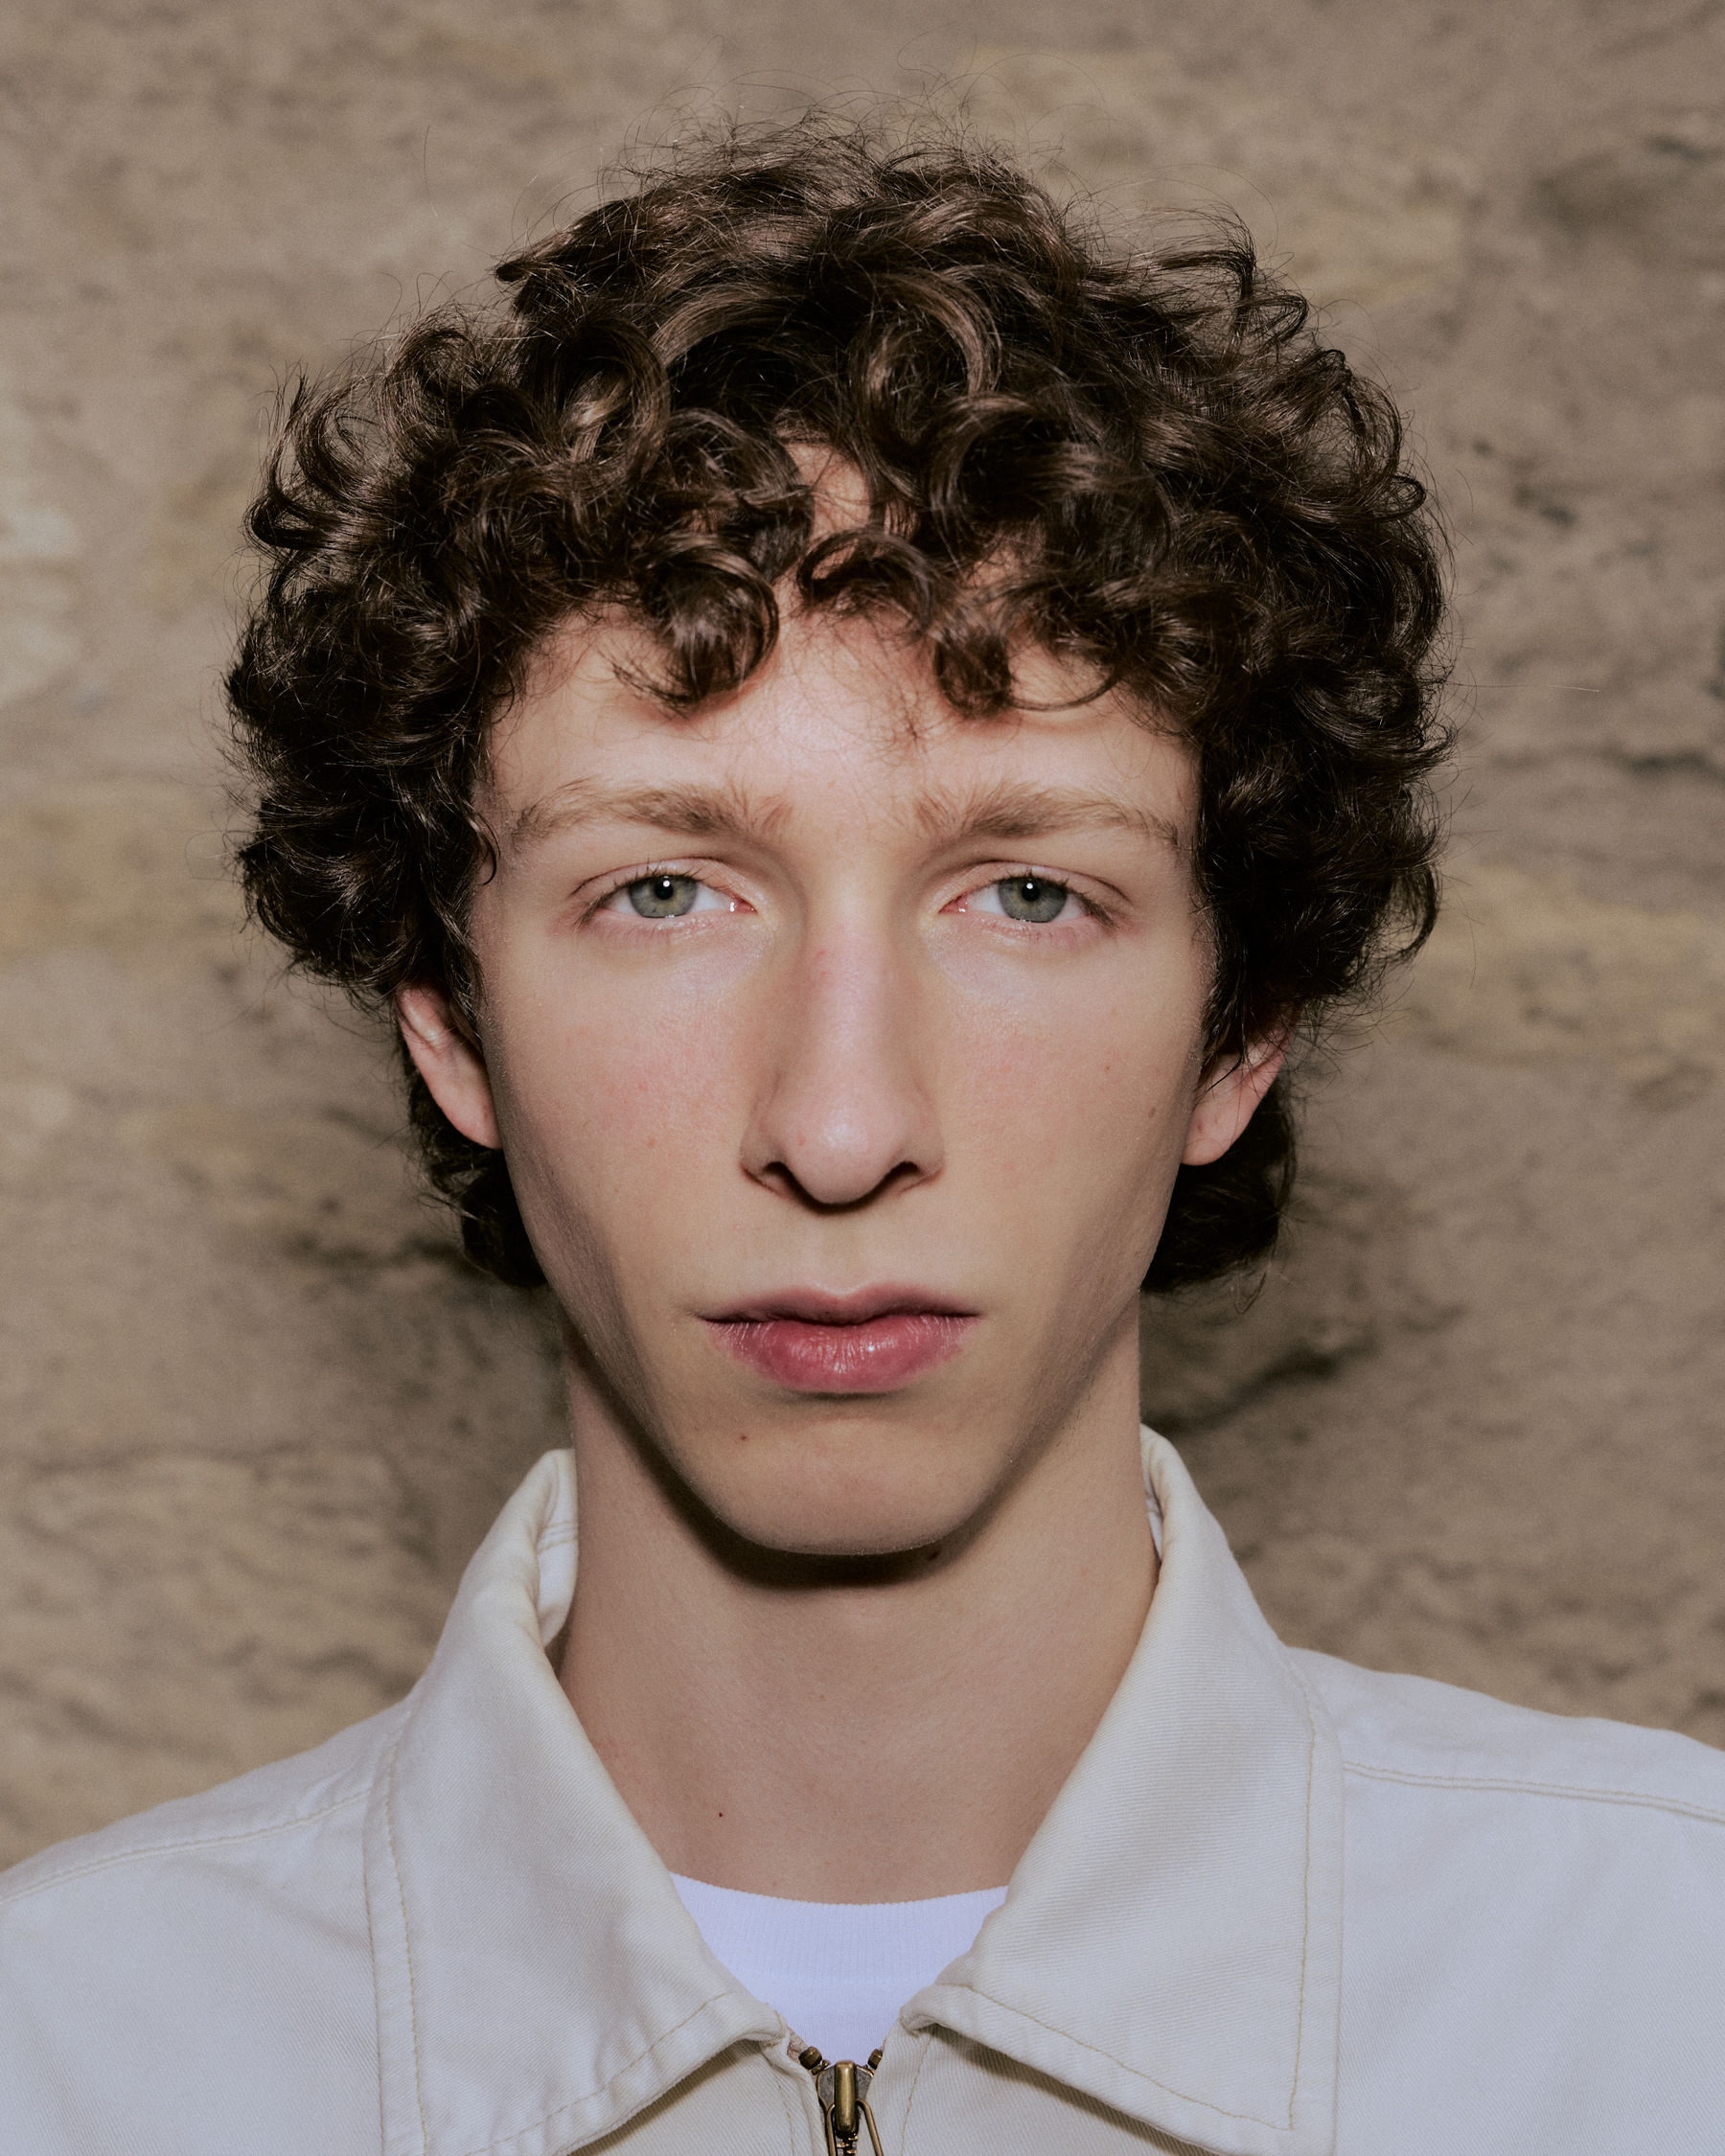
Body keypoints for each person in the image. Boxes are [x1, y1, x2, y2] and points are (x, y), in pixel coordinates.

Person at [1, 118, 1719, 2156]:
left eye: (1029, 895)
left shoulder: (1667, 1994)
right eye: (664, 892)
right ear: (450, 1022)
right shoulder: (66, 2058)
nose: (838, 1127)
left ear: (1238, 1031)